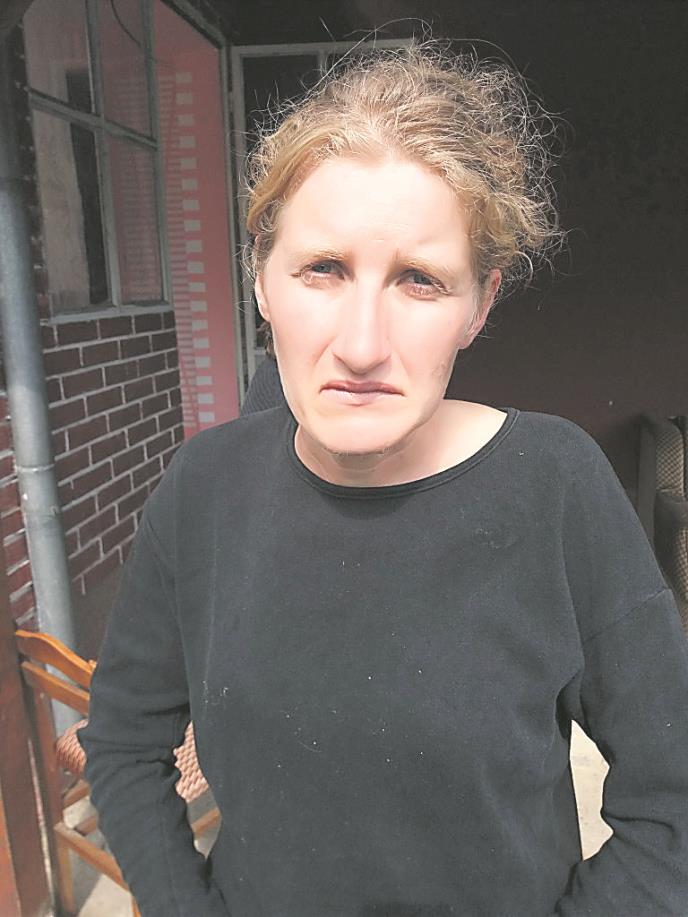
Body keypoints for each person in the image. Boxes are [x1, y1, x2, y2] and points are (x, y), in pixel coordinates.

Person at [79, 43, 688, 916]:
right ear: (262, 282)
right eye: (323, 268)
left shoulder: (557, 490)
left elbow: (673, 803)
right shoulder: (203, 490)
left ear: (480, 303)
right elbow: (123, 741)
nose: (362, 345)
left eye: (420, 280)